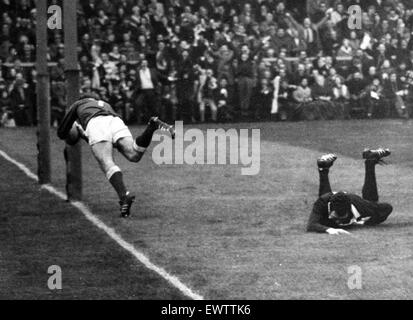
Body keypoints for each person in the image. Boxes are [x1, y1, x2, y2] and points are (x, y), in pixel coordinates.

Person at [57, 94, 175, 218]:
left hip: (95, 122)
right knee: (133, 153)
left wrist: (76, 131)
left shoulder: (78, 104)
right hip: (115, 120)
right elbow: (106, 139)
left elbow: (61, 132)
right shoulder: (104, 103)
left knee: (106, 161)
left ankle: (124, 196)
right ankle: (152, 126)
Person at [307, 149, 393, 234]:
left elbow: (387, 208)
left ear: (349, 211)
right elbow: (311, 225)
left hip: (355, 201)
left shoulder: (361, 206)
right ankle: (323, 167)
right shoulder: (322, 202)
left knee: (372, 203)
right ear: (331, 208)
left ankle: (370, 160)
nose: (337, 220)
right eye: (335, 215)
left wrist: (365, 223)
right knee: (324, 200)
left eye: (340, 216)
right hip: (327, 199)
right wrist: (330, 230)